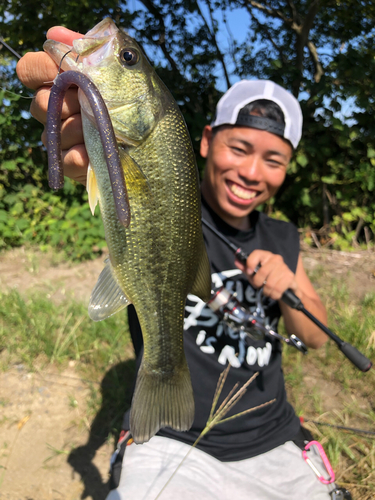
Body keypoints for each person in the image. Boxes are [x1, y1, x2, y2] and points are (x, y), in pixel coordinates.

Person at [17, 27, 341, 500]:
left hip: (274, 438)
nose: (251, 172)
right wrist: (82, 145)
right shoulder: (169, 179)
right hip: (171, 444)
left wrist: (291, 286)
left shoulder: (282, 236)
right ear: (206, 141)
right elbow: (101, 174)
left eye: (274, 159)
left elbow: (315, 339)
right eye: (240, 148)